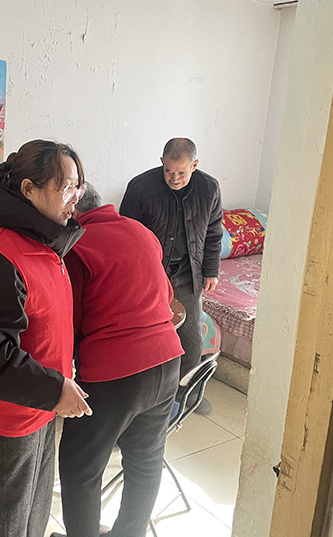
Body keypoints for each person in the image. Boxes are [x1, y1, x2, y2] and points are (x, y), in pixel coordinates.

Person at [0, 140, 93, 537]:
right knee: (2, 528)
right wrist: (54, 388)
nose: (75, 198)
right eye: (66, 187)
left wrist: (55, 388)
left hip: (36, 411)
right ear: (29, 189)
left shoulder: (44, 243)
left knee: (31, 523)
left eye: (77, 187)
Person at [55, 184, 184, 537]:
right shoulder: (140, 231)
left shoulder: (77, 246)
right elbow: (166, 296)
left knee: (81, 467)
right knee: (145, 461)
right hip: (167, 360)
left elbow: (70, 322)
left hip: (115, 374)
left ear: (73, 211)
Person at [120, 137, 223, 384]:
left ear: (194, 165)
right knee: (148, 338)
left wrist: (211, 270)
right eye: (168, 171)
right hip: (151, 274)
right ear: (161, 162)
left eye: (181, 172)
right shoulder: (140, 187)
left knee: (191, 341)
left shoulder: (209, 188)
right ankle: (152, 394)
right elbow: (125, 235)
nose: (174, 178)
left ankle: (184, 394)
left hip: (189, 273)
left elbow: (213, 233)